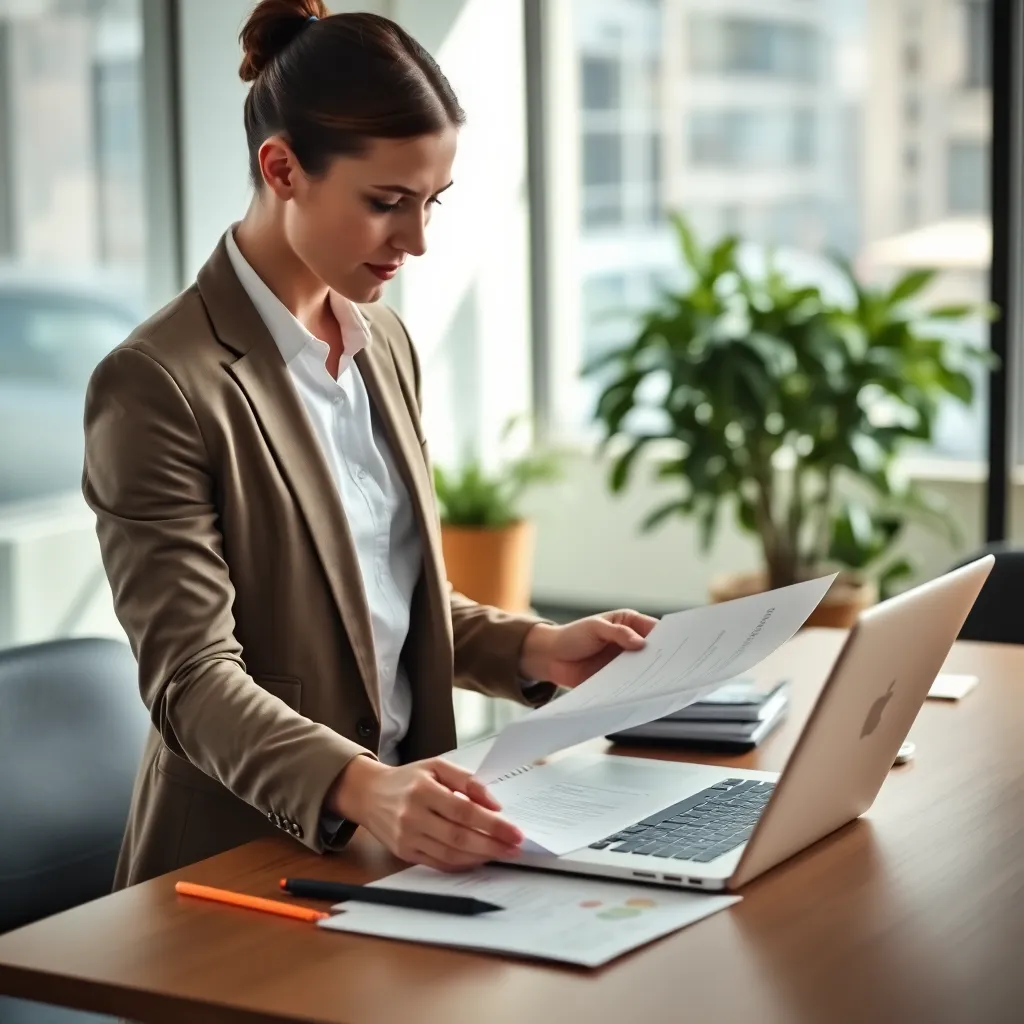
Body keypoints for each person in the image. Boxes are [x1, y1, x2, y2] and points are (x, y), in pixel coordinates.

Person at [83, 0, 656, 890]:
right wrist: (364, 787)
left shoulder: (381, 342)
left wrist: (536, 650)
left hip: (398, 850)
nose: (417, 241)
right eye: (387, 203)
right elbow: (191, 680)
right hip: (237, 867)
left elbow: (384, 600)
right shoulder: (159, 384)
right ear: (282, 168)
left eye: (431, 202)